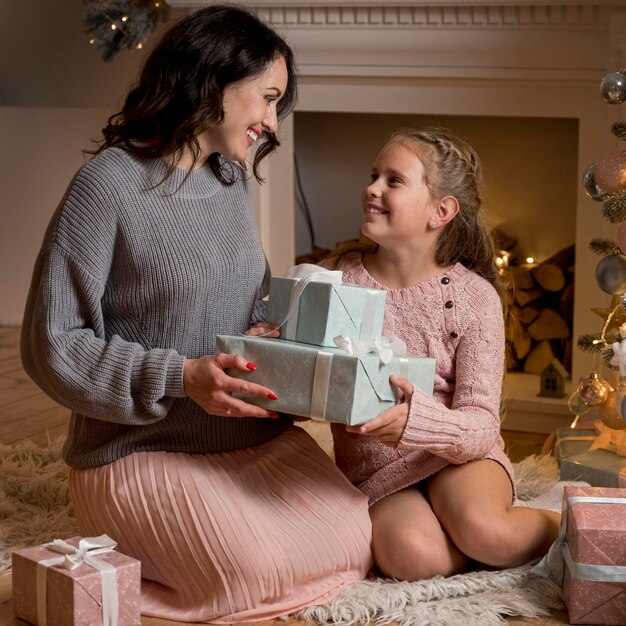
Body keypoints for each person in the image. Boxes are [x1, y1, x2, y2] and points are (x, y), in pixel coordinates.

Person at [20, 5, 371, 622]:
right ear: (213, 81)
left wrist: (278, 336)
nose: (271, 122)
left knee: (355, 534)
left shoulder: (229, 182)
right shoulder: (108, 184)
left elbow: (245, 298)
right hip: (140, 447)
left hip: (244, 435)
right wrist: (180, 377)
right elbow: (52, 343)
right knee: (251, 572)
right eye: (266, 98)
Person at [321, 127, 560, 581]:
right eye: (374, 175)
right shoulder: (336, 279)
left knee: (487, 531)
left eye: (394, 180)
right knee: (414, 558)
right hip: (379, 471)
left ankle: (563, 525)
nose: (372, 188)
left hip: (460, 455)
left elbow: (480, 423)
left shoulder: (474, 298)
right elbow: (300, 353)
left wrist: (417, 422)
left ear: (441, 211)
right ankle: (471, 550)